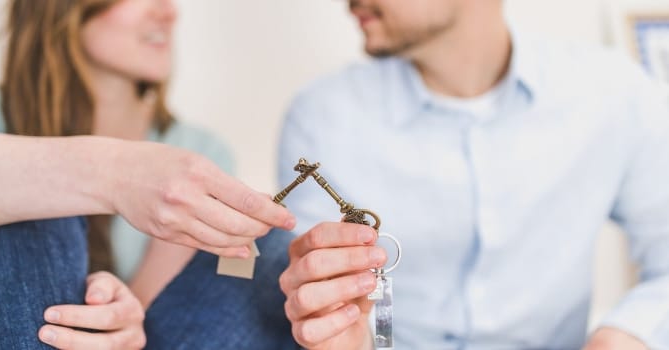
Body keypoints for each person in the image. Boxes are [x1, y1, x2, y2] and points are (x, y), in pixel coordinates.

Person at [0, 0, 298, 349]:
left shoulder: (196, 151)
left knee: (270, 251)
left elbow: (154, 321)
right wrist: (111, 173)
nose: (168, 9)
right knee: (13, 197)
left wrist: (120, 321)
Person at [277, 0, 669, 349]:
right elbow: (326, 307)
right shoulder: (322, 118)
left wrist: (626, 335)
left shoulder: (613, 94)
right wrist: (344, 335)